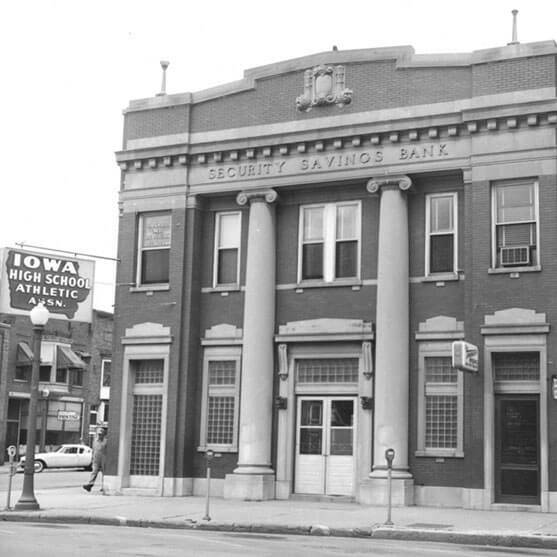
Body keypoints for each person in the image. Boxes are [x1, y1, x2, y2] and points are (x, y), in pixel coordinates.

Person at [83, 427, 107, 492]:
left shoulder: (106, 441)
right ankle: (90, 485)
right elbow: (94, 450)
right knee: (94, 472)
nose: (99, 435)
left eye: (101, 434)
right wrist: (92, 458)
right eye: (98, 434)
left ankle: (104, 486)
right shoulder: (95, 441)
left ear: (103, 434)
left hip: (104, 459)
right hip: (96, 459)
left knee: (104, 474)